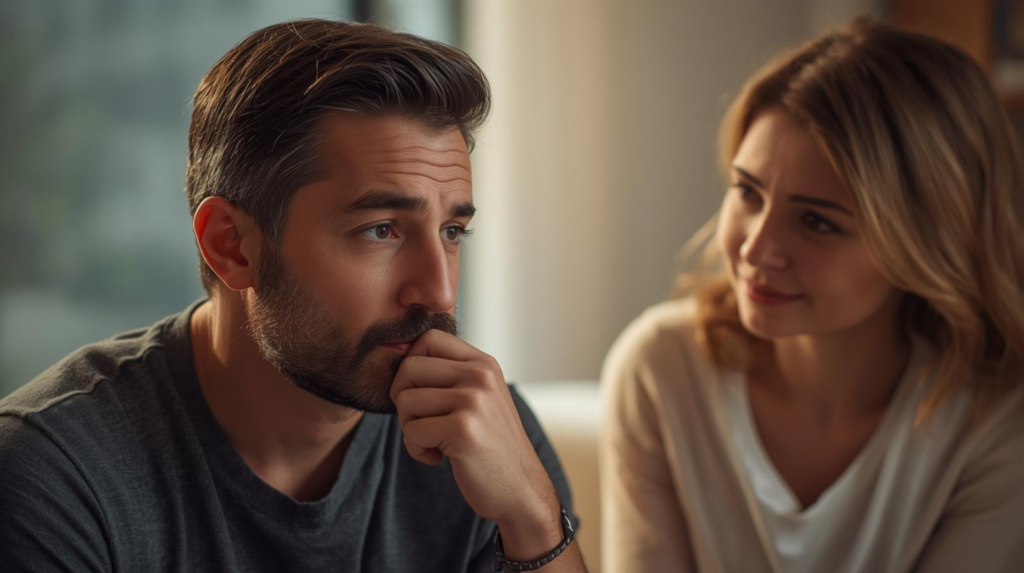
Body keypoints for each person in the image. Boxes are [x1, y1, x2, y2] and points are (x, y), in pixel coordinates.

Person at [0, 20, 587, 573]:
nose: (438, 289)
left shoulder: (484, 430)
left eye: (452, 232)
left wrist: (531, 515)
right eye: (380, 229)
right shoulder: (52, 477)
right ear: (232, 245)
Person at [600, 18, 1024, 573]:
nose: (756, 248)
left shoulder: (997, 422)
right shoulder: (661, 369)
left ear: (928, 240)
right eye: (747, 192)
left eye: (818, 223)